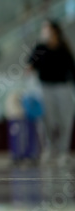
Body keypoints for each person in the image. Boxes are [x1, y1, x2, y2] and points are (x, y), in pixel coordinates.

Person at [27, 20, 75, 165]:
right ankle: (50, 148)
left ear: (54, 31)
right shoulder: (40, 47)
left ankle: (63, 150)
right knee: (47, 119)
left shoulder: (63, 47)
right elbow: (30, 65)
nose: (44, 32)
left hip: (63, 88)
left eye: (46, 29)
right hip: (45, 88)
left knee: (65, 119)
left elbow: (72, 68)